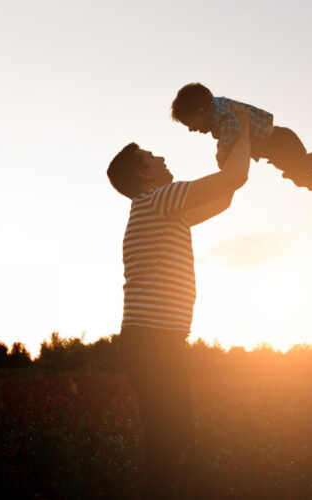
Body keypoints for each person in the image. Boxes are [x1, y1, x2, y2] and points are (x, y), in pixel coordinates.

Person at [107, 104, 252, 498]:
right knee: (172, 439)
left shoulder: (165, 209)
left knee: (174, 436)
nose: (161, 156)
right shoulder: (159, 200)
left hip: (158, 341)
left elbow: (225, 196)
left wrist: (234, 148)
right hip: (152, 341)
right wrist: (243, 129)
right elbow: (234, 177)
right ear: (143, 173)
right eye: (150, 156)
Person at [171, 82, 312, 219]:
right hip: (276, 146)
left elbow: (233, 124)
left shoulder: (218, 112)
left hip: (279, 142)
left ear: (201, 111)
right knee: (299, 174)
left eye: (190, 123)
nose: (191, 129)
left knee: (298, 172)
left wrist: (223, 151)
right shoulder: (218, 112)